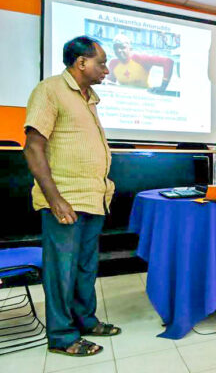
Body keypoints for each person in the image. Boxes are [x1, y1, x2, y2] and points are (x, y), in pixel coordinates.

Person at [23, 36, 121, 357]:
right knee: (61, 271)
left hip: (93, 198)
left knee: (84, 269)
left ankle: (85, 320)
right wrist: (55, 199)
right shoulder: (50, 90)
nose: (107, 69)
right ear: (81, 62)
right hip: (64, 200)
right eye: (102, 62)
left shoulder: (88, 98)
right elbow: (33, 147)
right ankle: (63, 336)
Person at [107, 34, 174, 94]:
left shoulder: (141, 59)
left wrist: (163, 87)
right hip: (126, 99)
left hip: (143, 99)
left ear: (130, 48)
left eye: (122, 47)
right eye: (115, 48)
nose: (118, 50)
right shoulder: (113, 63)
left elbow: (168, 61)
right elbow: (110, 84)